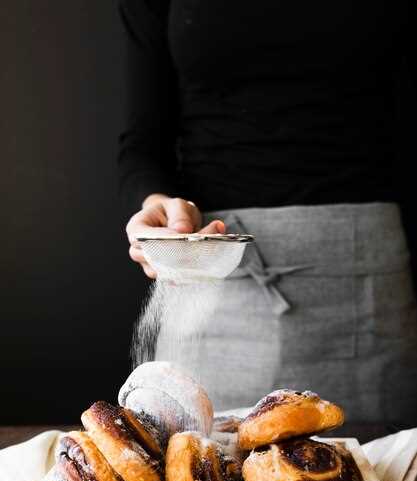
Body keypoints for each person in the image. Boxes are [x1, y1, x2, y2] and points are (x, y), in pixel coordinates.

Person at [118, 0, 417, 421]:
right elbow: (143, 143)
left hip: (362, 283)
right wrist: (157, 208)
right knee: (202, 467)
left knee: (382, 474)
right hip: (213, 271)